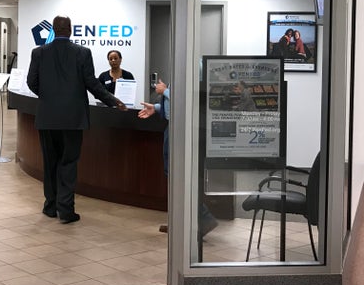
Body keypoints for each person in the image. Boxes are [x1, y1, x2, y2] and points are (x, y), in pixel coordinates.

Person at [26, 15, 126, 223]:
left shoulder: (38, 52)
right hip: (73, 118)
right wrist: (112, 100)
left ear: (53, 30)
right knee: (68, 162)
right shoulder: (82, 53)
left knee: (50, 162)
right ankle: (66, 210)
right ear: (70, 30)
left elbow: (31, 82)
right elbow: (92, 84)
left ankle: (50, 207)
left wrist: (49, 98)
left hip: (47, 118)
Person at [139, 79, 219, 237]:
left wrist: (165, 91)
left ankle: (204, 219)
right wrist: (157, 108)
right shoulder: (177, 73)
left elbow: (186, 102)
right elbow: (174, 105)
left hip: (181, 129)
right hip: (173, 127)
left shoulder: (189, 72)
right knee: (173, 176)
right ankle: (180, 222)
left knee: (179, 176)